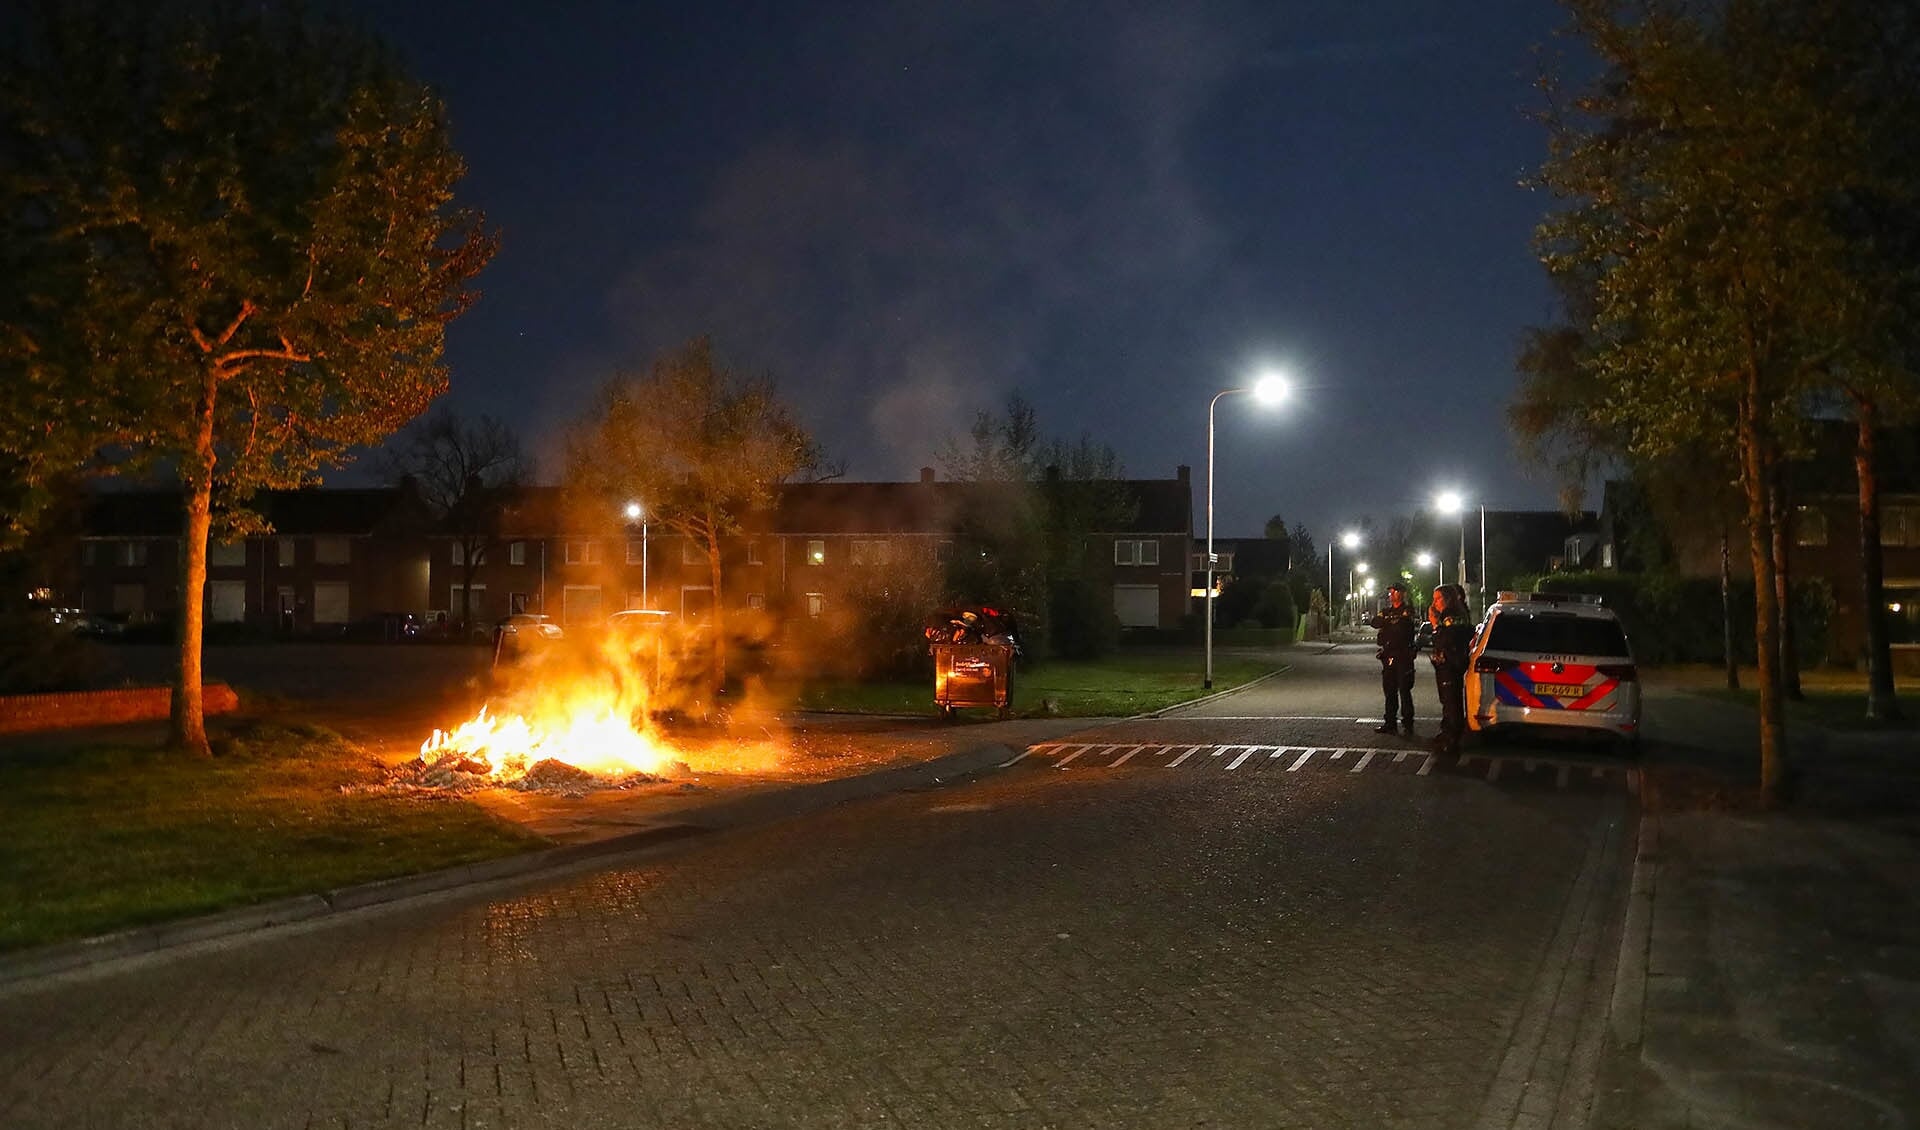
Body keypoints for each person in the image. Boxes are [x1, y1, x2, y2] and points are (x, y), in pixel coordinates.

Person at [1428, 583, 1473, 755]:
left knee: (1450, 701)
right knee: (1450, 699)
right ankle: (1448, 733)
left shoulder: (1449, 615)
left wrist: (1434, 625)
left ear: (1448, 598)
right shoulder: (1462, 612)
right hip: (1456, 661)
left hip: (1450, 663)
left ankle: (1451, 738)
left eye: (1438, 598)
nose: (1435, 603)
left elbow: (1445, 639)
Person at [1367, 582, 1417, 735]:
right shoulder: (1386, 611)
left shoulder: (1408, 610)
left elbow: (1403, 627)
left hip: (1403, 655)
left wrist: (1389, 620)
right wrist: (1390, 619)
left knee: (1404, 690)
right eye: (1391, 592)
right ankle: (1390, 723)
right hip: (1388, 654)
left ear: (1402, 593)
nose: (1391, 594)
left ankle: (1408, 724)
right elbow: (1375, 622)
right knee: (1389, 691)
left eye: (1394, 591)